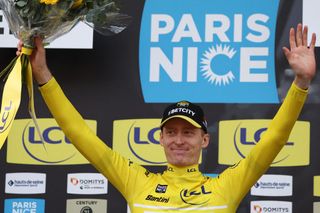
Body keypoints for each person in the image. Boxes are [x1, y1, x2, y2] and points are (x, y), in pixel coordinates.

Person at [17, 23, 316, 212]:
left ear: (204, 139)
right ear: (160, 138)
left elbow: (274, 139)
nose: (179, 140)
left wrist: (300, 84)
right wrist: (42, 74)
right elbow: (79, 133)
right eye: (171, 132)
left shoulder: (226, 185)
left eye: (188, 132)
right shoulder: (137, 181)